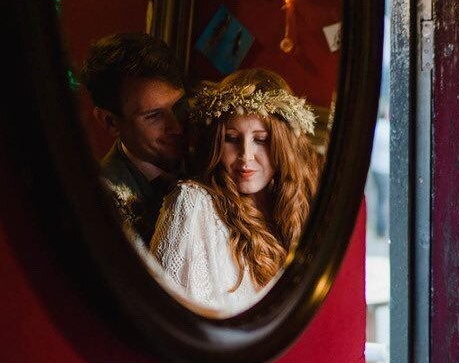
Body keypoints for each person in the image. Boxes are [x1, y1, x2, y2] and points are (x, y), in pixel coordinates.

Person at [150, 68, 319, 315]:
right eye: (231, 138)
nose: (245, 157)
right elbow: (167, 317)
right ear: (217, 141)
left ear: (282, 146)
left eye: (260, 140)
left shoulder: (295, 206)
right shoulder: (192, 204)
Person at [80, 32, 186, 244]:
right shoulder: (100, 204)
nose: (177, 127)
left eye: (179, 106)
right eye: (154, 116)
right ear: (110, 121)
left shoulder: (212, 160)